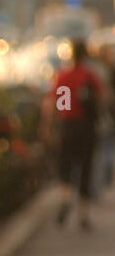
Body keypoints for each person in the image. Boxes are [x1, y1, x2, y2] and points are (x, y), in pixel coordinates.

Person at [44, 39, 106, 228]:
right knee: (86, 168)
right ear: (85, 54)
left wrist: (47, 127)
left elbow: (52, 104)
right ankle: (83, 215)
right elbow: (103, 97)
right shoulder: (89, 75)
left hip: (66, 126)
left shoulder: (62, 76)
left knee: (66, 166)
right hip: (86, 127)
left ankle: (65, 199)